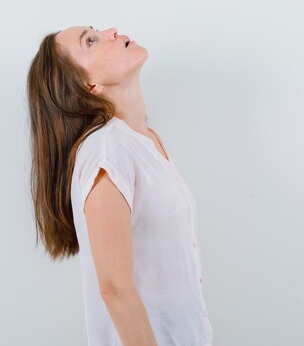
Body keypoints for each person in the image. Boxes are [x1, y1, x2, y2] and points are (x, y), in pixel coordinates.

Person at [26, 26, 213, 346]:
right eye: (90, 40)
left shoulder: (144, 140)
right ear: (89, 85)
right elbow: (114, 288)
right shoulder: (108, 150)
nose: (111, 31)